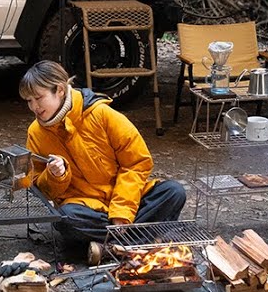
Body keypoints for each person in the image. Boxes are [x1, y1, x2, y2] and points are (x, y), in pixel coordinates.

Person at [18, 60, 186, 252]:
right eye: (29, 101)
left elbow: (137, 163)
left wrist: (122, 212)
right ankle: (138, 241)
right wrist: (56, 176)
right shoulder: (36, 132)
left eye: (38, 98)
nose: (34, 107)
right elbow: (41, 189)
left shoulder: (102, 113)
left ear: (60, 90)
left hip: (124, 200)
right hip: (86, 209)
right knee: (65, 219)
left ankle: (108, 246)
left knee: (173, 192)